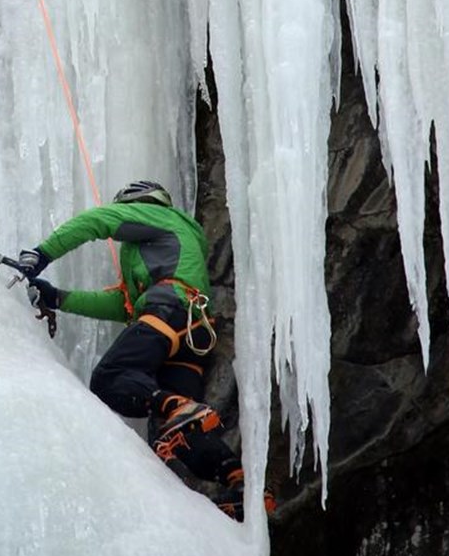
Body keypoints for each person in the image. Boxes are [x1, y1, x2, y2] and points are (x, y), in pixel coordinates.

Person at [16, 180, 269, 521]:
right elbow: (126, 306)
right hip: (189, 329)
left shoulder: (159, 217)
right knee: (181, 432)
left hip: (168, 309)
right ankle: (241, 487)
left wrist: (41, 254)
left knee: (111, 378)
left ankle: (177, 405)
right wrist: (59, 298)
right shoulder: (164, 247)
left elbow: (97, 220)